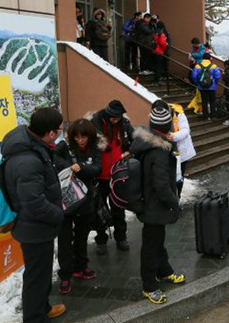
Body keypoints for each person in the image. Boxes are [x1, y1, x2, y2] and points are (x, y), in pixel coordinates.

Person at [1, 107, 66, 321]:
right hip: (34, 228)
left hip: (36, 226)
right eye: (59, 129)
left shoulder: (31, 146)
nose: (61, 132)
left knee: (41, 272)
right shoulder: (28, 160)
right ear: (50, 133)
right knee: (36, 275)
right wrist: (58, 214)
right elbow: (34, 204)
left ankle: (43, 307)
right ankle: (35, 317)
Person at [130, 100, 184, 304]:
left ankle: (164, 271)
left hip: (152, 203)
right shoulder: (158, 152)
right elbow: (161, 186)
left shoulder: (152, 143)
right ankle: (149, 286)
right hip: (154, 204)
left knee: (157, 240)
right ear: (168, 126)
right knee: (151, 246)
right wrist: (174, 203)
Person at [53, 118, 102, 295]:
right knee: (65, 239)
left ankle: (81, 266)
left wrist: (80, 167)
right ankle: (65, 275)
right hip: (66, 200)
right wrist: (69, 167)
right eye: (77, 137)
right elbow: (55, 157)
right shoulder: (65, 147)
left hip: (86, 200)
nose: (80, 140)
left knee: (82, 236)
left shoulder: (96, 150)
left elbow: (97, 169)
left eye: (84, 137)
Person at [91, 100, 135, 254]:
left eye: (118, 117)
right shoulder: (96, 124)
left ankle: (121, 237)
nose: (116, 120)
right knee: (100, 210)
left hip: (118, 175)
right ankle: (101, 240)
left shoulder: (123, 124)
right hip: (100, 176)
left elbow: (135, 139)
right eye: (113, 117)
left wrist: (128, 153)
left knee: (118, 209)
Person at [168, 103, 196, 203]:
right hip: (168, 151)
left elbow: (185, 130)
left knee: (179, 176)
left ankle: (177, 198)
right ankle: (171, 197)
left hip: (180, 151)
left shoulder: (179, 114)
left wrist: (173, 136)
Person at [192, 53, 221, 121]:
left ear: (203, 58)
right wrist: (215, 83)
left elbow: (194, 76)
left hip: (202, 87)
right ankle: (213, 116)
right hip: (212, 87)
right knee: (212, 101)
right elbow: (218, 76)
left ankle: (205, 116)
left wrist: (198, 83)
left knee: (204, 101)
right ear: (209, 58)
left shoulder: (198, 66)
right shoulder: (214, 66)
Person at [151, 22, 168, 86]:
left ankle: (155, 80)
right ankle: (157, 81)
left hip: (154, 51)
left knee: (156, 66)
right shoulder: (161, 34)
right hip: (159, 51)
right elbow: (163, 43)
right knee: (159, 67)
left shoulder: (154, 32)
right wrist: (165, 49)